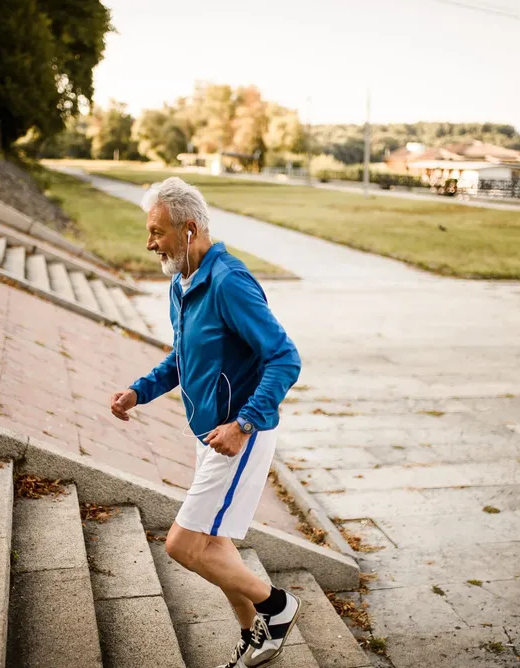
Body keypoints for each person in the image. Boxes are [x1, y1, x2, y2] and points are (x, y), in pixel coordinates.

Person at [110, 177, 302, 668]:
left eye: (157, 232)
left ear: (189, 229)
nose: (149, 242)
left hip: (239, 437)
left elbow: (284, 358)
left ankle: (277, 608)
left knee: (184, 544)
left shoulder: (228, 283)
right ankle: (254, 634)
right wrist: (139, 390)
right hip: (209, 437)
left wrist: (243, 425)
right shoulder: (183, 282)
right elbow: (182, 357)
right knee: (213, 544)